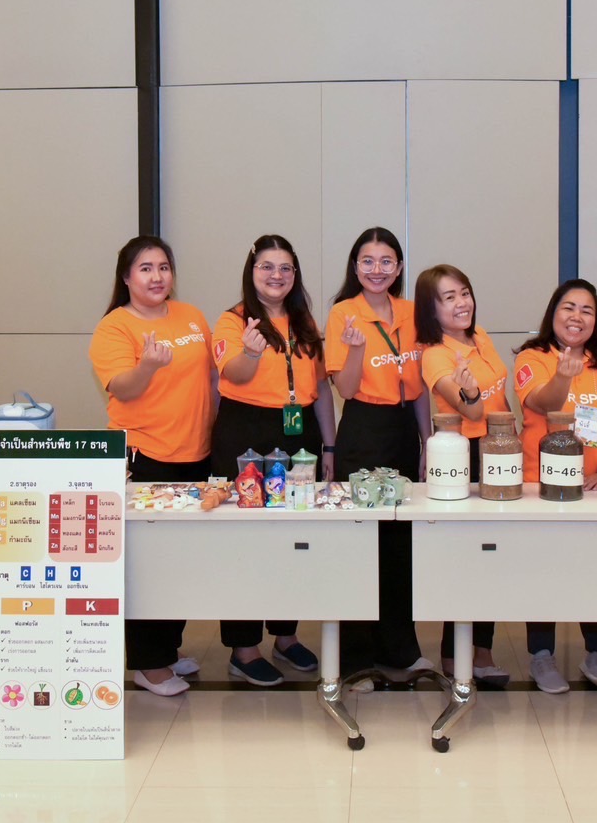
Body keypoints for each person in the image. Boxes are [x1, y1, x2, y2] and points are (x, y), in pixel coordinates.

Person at [210, 235, 336, 686]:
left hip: (298, 431)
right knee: (244, 542)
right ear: (252, 271)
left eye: (285, 268)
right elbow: (233, 374)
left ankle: (286, 635)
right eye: (267, 266)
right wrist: (250, 350)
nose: (276, 275)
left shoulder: (303, 321)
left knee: (295, 537)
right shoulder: (232, 321)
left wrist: (330, 447)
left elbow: (320, 388)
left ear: (295, 275)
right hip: (245, 432)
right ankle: (243, 648)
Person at [88, 236, 211, 697]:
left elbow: (210, 379)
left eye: (163, 267)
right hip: (148, 456)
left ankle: (167, 650)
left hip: (197, 453)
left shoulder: (191, 316)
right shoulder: (115, 327)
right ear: (126, 277)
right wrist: (148, 366)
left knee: (181, 562)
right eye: (145, 268)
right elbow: (121, 387)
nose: (157, 277)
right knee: (149, 564)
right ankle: (147, 663)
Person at [513, 279, 597, 693]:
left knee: (593, 567)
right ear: (553, 312)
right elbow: (544, 404)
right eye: (568, 307)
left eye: (587, 310)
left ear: (596, 320)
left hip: (591, 490)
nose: (577, 316)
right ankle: (541, 655)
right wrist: (563, 377)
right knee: (543, 569)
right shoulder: (533, 357)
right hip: (540, 485)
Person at [325, 227, 430, 680]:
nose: (377, 269)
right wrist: (355, 350)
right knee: (361, 542)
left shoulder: (411, 313)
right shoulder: (343, 314)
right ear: (355, 267)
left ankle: (400, 650)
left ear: (399, 267)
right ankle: (355, 659)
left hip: (404, 429)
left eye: (386, 261)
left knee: (400, 543)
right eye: (367, 261)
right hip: (364, 428)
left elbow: (421, 386)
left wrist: (427, 442)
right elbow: (345, 389)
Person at [414, 264, 511, 688]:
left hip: (497, 448)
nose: (461, 303)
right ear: (431, 308)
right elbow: (471, 410)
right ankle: (455, 654)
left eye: (464, 293)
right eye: (449, 297)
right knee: (467, 554)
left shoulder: (480, 336)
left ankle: (481, 650)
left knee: (492, 554)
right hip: (463, 455)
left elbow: (500, 397)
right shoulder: (436, 354)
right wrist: (469, 391)